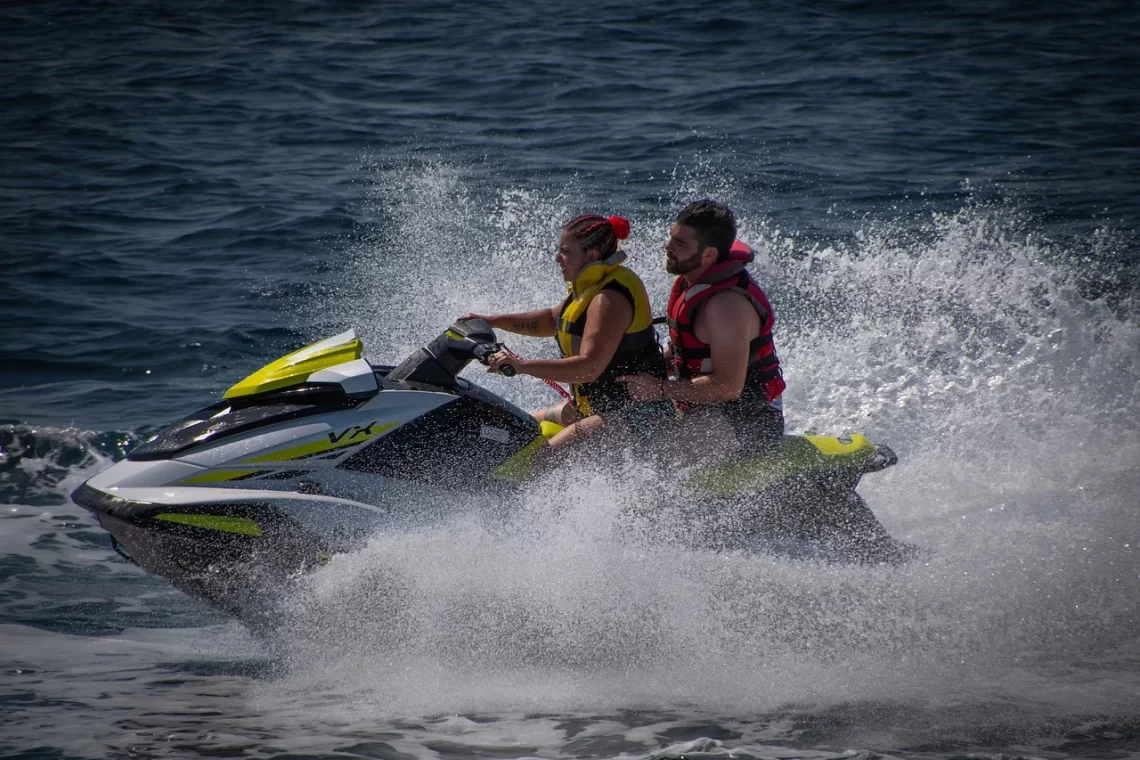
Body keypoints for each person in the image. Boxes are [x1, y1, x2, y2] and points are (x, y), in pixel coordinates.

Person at [461, 214, 665, 449]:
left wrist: (521, 366)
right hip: (596, 408)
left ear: (592, 255)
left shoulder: (610, 297)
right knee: (516, 426)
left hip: (634, 415)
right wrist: (492, 321)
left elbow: (589, 368)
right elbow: (551, 320)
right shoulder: (589, 286)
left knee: (542, 460)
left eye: (566, 252)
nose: (558, 258)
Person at [619, 199, 785, 461]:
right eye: (672, 237)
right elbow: (690, 352)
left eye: (681, 244)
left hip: (749, 419)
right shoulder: (692, 284)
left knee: (645, 457)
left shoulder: (726, 306)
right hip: (705, 407)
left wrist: (660, 389)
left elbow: (728, 387)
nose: (668, 246)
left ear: (709, 254)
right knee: (611, 424)